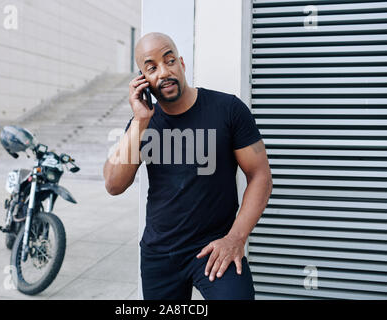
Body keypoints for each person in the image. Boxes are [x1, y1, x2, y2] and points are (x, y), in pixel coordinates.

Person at [103, 32, 273, 300]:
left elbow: (260, 175)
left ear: (181, 63)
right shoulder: (143, 124)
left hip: (215, 248)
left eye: (169, 60)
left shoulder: (228, 109)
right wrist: (140, 120)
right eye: (152, 67)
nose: (164, 71)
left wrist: (235, 239)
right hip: (160, 254)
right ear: (142, 80)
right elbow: (113, 184)